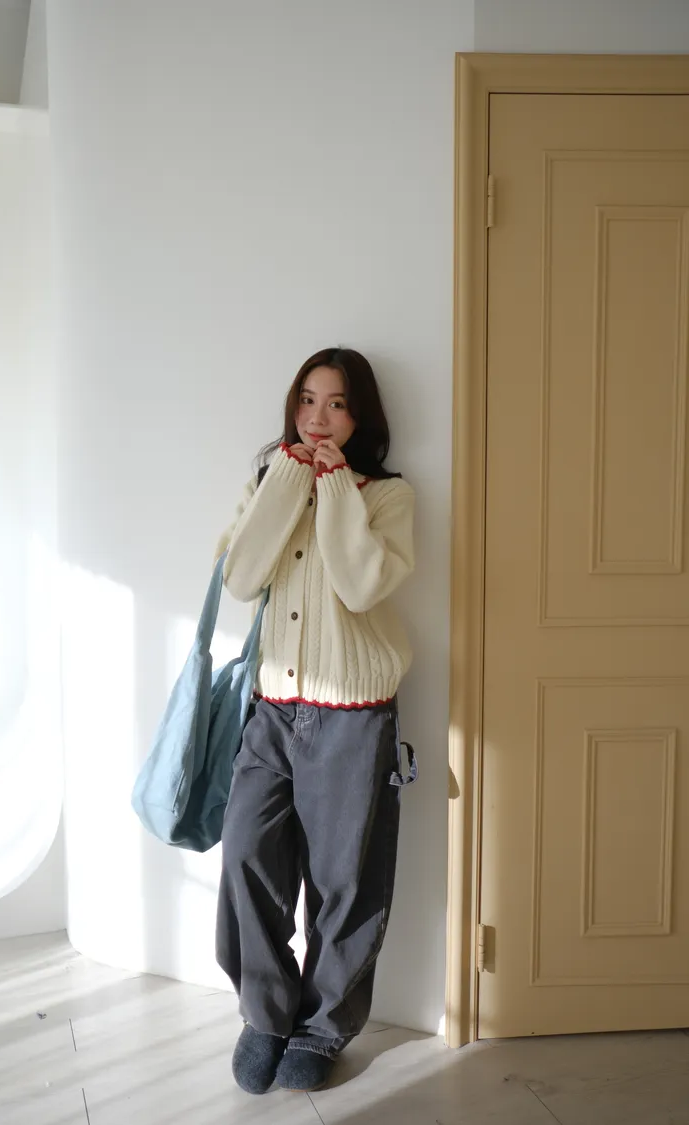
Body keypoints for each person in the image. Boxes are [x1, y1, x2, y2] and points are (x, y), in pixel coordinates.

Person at [214, 346, 416, 1095]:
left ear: (360, 416)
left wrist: (334, 488)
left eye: (335, 403)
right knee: (246, 856)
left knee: (344, 884)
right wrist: (290, 479)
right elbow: (240, 578)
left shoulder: (387, 496)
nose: (318, 417)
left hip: (353, 716)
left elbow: (361, 586)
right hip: (272, 709)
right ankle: (266, 1015)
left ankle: (323, 1028)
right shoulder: (270, 481)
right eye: (307, 399)